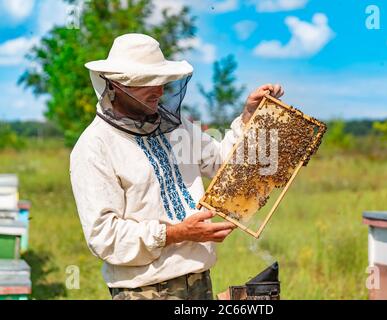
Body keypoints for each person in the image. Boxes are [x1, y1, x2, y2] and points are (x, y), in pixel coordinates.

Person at [70, 33, 284, 300]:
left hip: (198, 280)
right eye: (147, 82)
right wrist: (177, 233)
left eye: (161, 81)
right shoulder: (95, 146)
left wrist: (249, 117)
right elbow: (104, 235)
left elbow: (223, 166)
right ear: (115, 84)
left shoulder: (177, 128)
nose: (159, 91)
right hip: (142, 290)